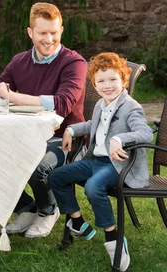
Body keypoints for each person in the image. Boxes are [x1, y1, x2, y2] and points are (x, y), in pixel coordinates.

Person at [0, 2, 87, 238]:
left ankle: (48, 210)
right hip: (22, 134)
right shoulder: (20, 61)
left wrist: (14, 97)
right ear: (30, 33)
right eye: (42, 33)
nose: (49, 38)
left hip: (65, 139)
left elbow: (62, 104)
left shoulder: (74, 63)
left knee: (38, 166)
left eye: (54, 32)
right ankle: (27, 208)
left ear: (61, 30)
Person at [50, 53, 153, 271]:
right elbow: (92, 124)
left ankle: (114, 238)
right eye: (101, 81)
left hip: (118, 166)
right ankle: (77, 222)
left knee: (93, 186)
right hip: (96, 161)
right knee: (57, 176)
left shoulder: (131, 107)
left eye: (113, 79)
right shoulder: (100, 104)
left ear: (124, 81)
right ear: (95, 85)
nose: (108, 86)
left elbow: (145, 133)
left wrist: (119, 139)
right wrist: (71, 129)